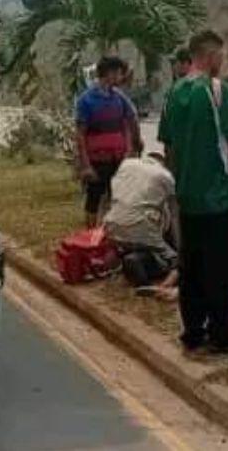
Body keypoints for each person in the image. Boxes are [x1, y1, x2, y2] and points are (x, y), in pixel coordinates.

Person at [158, 31, 228, 354]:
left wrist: (179, 184)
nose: (222, 61)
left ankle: (192, 331)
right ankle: (222, 335)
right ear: (211, 55)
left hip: (188, 197)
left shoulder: (174, 93)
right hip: (219, 198)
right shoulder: (220, 92)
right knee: (221, 269)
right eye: (221, 55)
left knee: (191, 267)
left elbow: (169, 146)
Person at [104, 147, 180, 292]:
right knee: (180, 262)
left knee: (130, 239)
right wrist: (177, 249)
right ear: (163, 163)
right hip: (142, 232)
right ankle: (165, 285)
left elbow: (113, 198)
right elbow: (175, 217)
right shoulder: (165, 176)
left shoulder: (126, 165)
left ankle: (124, 259)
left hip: (112, 229)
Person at [74, 56, 137, 228]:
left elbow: (127, 124)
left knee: (116, 198)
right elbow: (80, 134)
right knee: (94, 198)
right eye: (118, 73)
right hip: (97, 159)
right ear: (109, 73)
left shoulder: (119, 98)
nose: (120, 77)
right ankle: (90, 236)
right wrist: (85, 165)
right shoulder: (86, 100)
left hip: (118, 158)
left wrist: (129, 149)